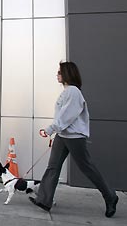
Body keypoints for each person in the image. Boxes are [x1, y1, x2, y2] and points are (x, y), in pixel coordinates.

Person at [29, 61, 118, 218]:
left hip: (74, 137)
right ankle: (44, 199)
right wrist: (55, 131)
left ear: (67, 74)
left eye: (59, 72)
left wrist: (50, 129)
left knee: (87, 168)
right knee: (53, 167)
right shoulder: (67, 91)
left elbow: (67, 116)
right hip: (63, 135)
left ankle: (110, 196)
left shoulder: (73, 92)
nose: (57, 74)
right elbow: (62, 116)